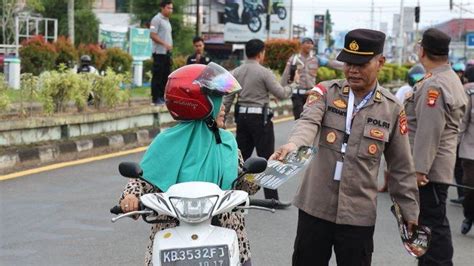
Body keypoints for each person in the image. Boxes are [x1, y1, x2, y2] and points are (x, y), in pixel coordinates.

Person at [271, 29, 420, 265]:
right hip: (316, 207)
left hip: (358, 214)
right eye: (348, 63)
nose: (352, 70)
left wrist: (410, 211)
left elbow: (401, 166)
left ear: (380, 62)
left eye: (361, 64)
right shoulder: (325, 92)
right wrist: (293, 143)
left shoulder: (392, 109)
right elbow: (307, 122)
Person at [118, 63, 259, 266]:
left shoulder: (226, 141)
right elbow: (142, 181)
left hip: (226, 232)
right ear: (200, 103)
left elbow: (243, 183)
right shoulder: (166, 142)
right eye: (217, 99)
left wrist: (263, 174)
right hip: (173, 235)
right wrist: (130, 197)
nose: (224, 106)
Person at [405, 28, 468, 266]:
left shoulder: (435, 85)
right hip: (437, 165)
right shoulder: (448, 77)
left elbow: (429, 130)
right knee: (432, 223)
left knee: (432, 224)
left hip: (429, 169)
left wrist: (419, 170)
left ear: (422, 51)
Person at [223, 39, 293, 208]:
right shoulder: (264, 72)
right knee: (268, 158)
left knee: (240, 159)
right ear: (261, 53)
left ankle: (233, 195)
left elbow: (227, 98)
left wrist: (222, 118)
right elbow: (281, 93)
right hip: (261, 120)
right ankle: (271, 199)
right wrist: (293, 84)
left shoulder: (236, 72)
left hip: (242, 119)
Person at [378, 64, 425, 192]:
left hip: (414, 130)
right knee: (391, 157)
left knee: (408, 160)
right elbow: (396, 105)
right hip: (401, 127)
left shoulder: (425, 90)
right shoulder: (405, 90)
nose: (417, 80)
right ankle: (387, 185)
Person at [280, 37, 343, 119]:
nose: (309, 45)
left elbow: (331, 63)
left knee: (310, 118)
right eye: (307, 43)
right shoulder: (294, 59)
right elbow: (285, 74)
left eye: (311, 43)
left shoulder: (317, 59)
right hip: (297, 94)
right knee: (299, 119)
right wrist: (281, 91)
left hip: (311, 94)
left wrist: (346, 66)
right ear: (302, 45)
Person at [459, 65, 474, 235]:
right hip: (471, 151)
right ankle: (469, 216)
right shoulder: (471, 93)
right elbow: (462, 122)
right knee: (470, 188)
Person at [150, 1, 173, 105]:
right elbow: (153, 35)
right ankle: (156, 98)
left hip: (166, 53)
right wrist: (165, 44)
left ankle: (162, 97)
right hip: (159, 52)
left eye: (171, 8)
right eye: (168, 8)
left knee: (165, 75)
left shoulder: (167, 21)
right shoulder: (156, 19)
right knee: (158, 75)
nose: (170, 10)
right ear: (162, 8)